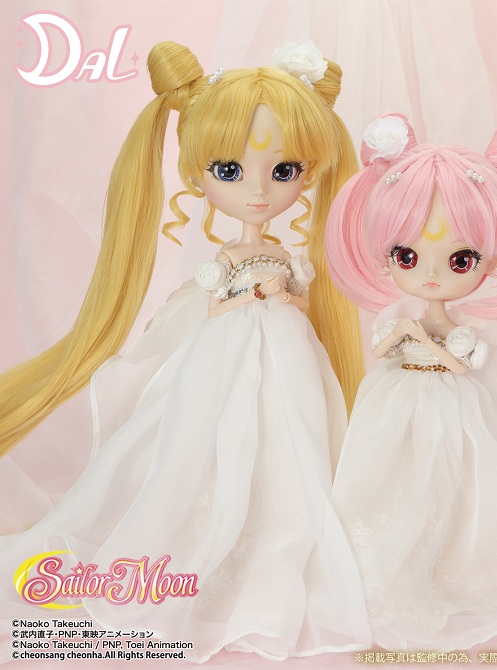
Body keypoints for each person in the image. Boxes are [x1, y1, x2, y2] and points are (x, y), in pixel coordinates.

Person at [0, 41, 370, 662]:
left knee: (291, 436)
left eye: (284, 171)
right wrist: (255, 293)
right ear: (199, 175)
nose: (259, 191)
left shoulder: (284, 254)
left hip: (286, 352)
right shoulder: (230, 257)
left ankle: (277, 526)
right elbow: (217, 306)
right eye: (230, 170)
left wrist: (284, 296)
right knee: (205, 435)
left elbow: (303, 302)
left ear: (308, 173)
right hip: (225, 351)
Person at [326, 114, 497, 650]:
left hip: (451, 405)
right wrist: (403, 332)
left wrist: (420, 338)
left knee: (458, 480)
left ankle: (455, 562)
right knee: (387, 478)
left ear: (489, 261)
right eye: (406, 257)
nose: (430, 275)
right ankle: (387, 559)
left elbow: (458, 365)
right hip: (398, 401)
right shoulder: (400, 318)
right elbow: (382, 351)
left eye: (460, 260)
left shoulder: (460, 330)